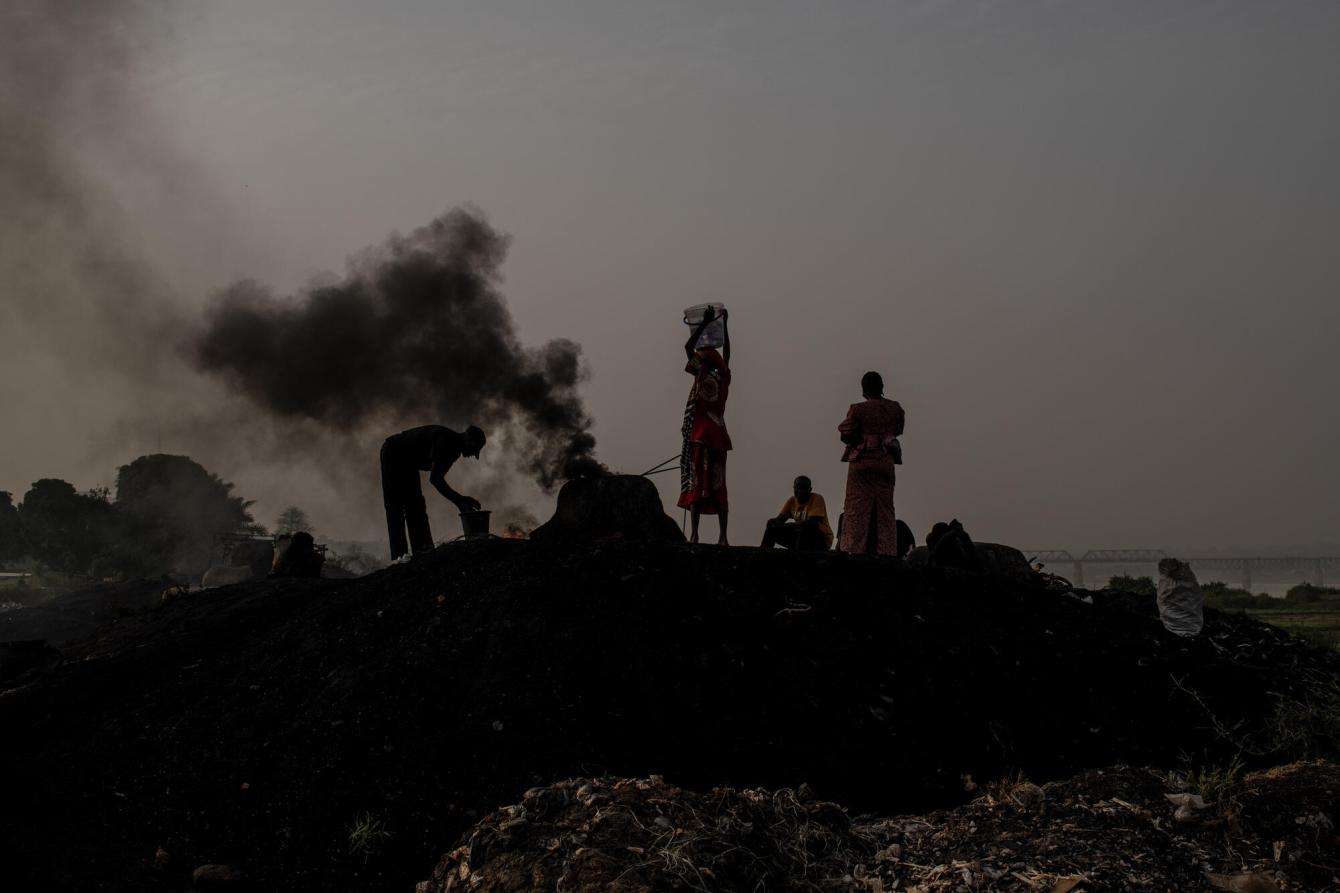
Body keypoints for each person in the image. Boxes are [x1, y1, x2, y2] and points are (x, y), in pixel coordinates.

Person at [380, 424, 485, 561]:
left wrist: (461, 500)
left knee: (416, 507)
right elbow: (435, 479)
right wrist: (460, 500)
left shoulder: (453, 447)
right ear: (469, 440)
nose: (472, 455)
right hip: (393, 453)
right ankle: (399, 559)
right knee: (395, 509)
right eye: (474, 450)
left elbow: (436, 478)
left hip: (408, 462)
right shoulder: (447, 443)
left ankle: (423, 553)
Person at [677, 307, 732, 544]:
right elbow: (728, 353)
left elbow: (688, 348)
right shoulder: (724, 374)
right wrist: (725, 324)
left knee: (698, 484)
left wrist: (704, 324)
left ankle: (695, 535)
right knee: (719, 485)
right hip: (718, 434)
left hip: (700, 435)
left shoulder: (702, 373)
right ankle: (722, 537)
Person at [838, 371, 905, 555]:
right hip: (885, 462)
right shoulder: (894, 408)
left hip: (861, 463)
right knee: (885, 510)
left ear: (863, 389)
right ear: (882, 387)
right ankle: (887, 552)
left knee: (856, 510)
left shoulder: (857, 409)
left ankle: (853, 550)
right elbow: (899, 428)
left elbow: (845, 434)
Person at [762, 476, 833, 551]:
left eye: (803, 488)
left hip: (820, 540)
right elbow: (780, 520)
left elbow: (812, 523)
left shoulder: (817, 498)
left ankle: (798, 557)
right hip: (799, 536)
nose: (800, 491)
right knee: (771, 529)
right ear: (794, 488)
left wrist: (788, 525)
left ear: (810, 490)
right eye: (797, 488)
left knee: (806, 529)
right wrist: (773, 522)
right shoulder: (792, 501)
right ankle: (763, 554)